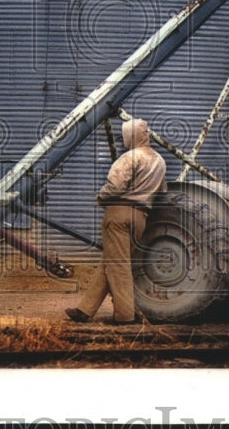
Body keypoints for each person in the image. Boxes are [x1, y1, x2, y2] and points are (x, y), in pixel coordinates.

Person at [65, 117, 166, 324]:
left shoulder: (130, 158)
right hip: (141, 217)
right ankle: (85, 310)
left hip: (118, 215)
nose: (124, 139)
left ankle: (124, 315)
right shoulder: (159, 161)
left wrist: (100, 196)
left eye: (125, 136)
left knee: (118, 265)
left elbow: (115, 187)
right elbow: (162, 191)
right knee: (109, 263)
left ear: (131, 136)